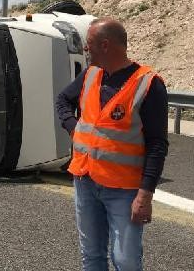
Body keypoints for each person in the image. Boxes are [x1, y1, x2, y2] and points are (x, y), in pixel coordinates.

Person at [55, 18, 168, 271]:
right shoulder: (91, 74)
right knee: (92, 256)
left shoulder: (148, 83)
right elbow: (63, 100)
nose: (86, 50)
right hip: (85, 180)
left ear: (105, 45)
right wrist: (73, 127)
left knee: (125, 260)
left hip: (124, 189)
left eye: (90, 44)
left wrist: (145, 195)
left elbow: (157, 145)